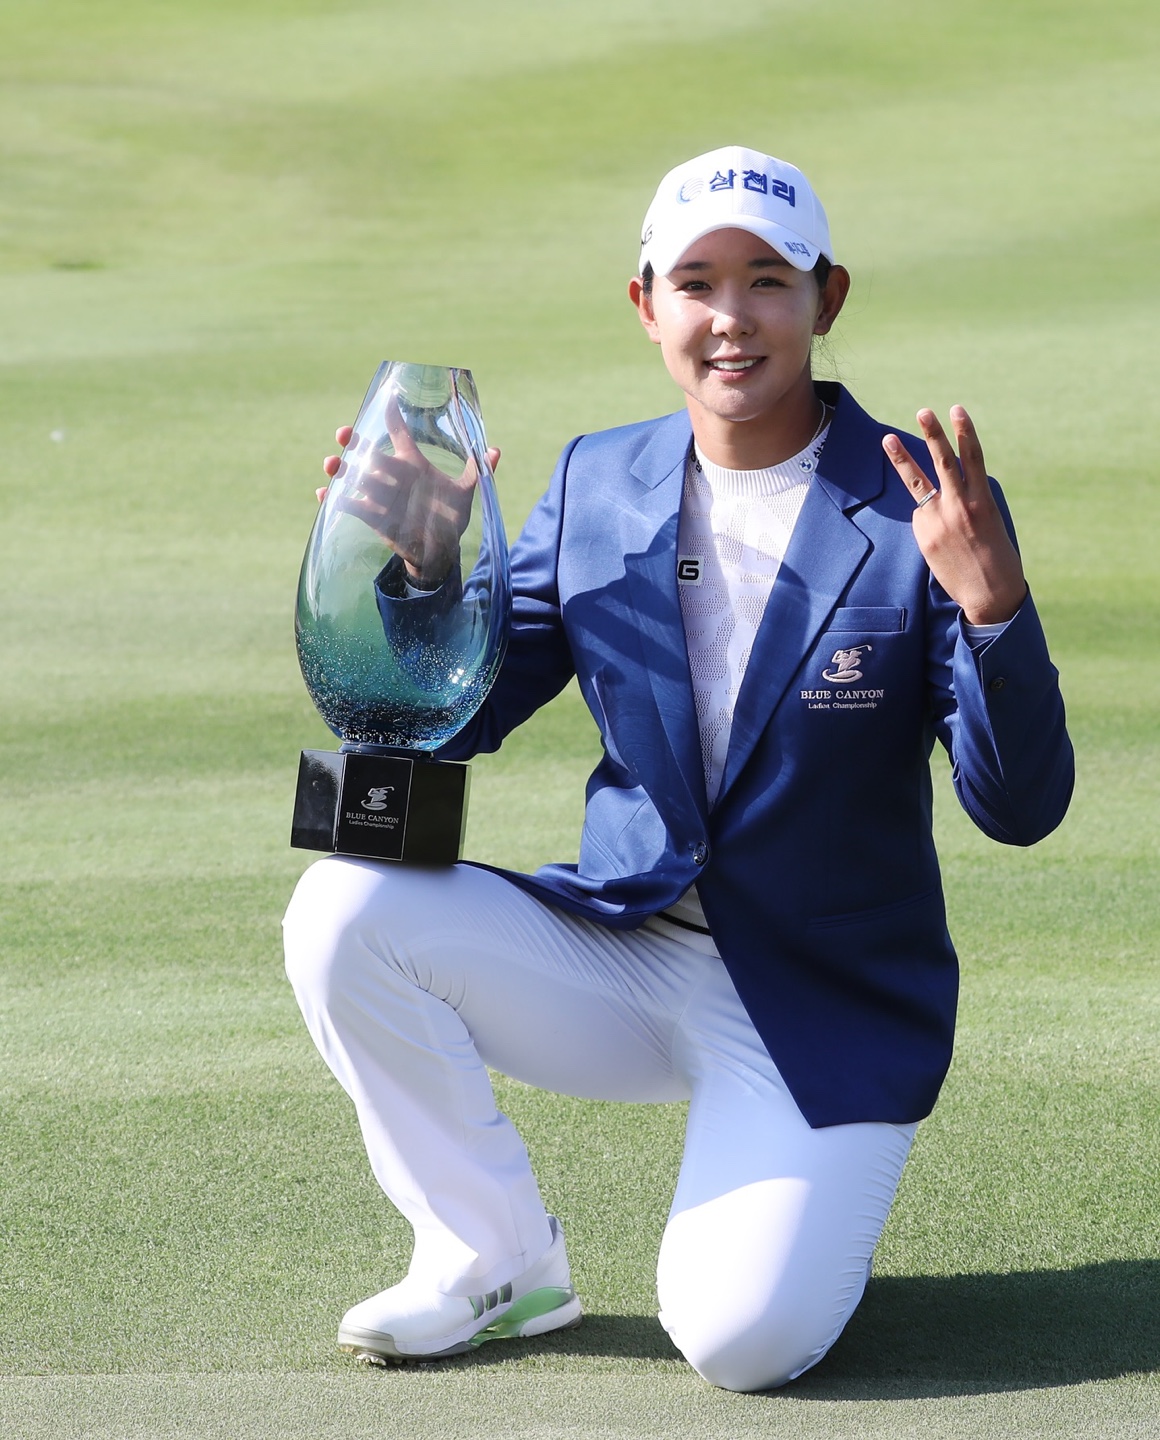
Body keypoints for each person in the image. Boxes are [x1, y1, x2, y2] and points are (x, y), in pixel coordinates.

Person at [282, 145, 1073, 1392]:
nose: (730, 317)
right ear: (645, 304)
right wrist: (429, 573)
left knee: (741, 1343)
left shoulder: (920, 506)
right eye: (695, 283)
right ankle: (490, 1257)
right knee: (343, 906)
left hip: (819, 1000)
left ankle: (789, 1196)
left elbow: (1018, 807)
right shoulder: (596, 481)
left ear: (826, 297)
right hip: (621, 947)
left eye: (767, 280)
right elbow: (455, 719)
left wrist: (991, 612)